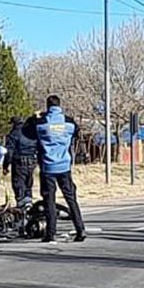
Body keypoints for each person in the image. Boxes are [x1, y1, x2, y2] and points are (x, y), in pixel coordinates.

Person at [31, 95, 86, 242]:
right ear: (59, 105)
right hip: (64, 165)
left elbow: (27, 131)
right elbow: (77, 133)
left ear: (47, 106)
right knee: (71, 198)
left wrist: (35, 116)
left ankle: (50, 233)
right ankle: (80, 229)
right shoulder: (69, 122)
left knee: (49, 200)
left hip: (48, 166)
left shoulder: (41, 123)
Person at [3, 115, 38, 205]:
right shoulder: (31, 132)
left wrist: (5, 166)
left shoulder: (14, 134)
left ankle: (21, 206)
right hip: (32, 163)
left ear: (14, 124)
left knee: (19, 186)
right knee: (28, 186)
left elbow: (9, 152)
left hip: (19, 164)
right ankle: (28, 204)